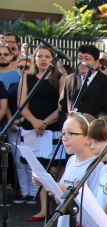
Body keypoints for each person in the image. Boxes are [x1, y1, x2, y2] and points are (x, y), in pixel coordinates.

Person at [16, 44, 67, 218]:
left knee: (56, 169)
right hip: (32, 129)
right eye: (39, 56)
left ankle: (59, 206)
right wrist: (34, 121)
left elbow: (62, 105)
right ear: (34, 59)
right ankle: (44, 209)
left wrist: (44, 123)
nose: (43, 60)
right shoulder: (27, 77)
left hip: (53, 128)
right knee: (39, 170)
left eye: (47, 56)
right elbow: (22, 105)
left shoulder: (60, 78)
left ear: (53, 59)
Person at [60, 44, 107, 117]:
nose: (82, 62)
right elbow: (62, 106)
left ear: (97, 62)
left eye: (87, 59)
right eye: (80, 58)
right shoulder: (70, 79)